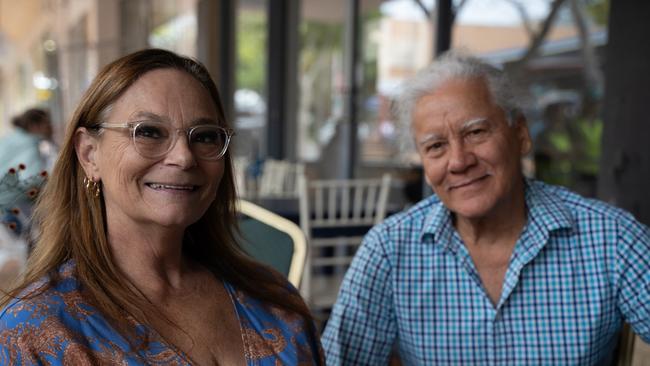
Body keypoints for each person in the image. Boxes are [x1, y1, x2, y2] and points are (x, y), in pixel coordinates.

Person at [322, 51, 650, 365]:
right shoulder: (389, 249)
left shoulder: (611, 239)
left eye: (476, 132)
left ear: (520, 135)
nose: (459, 161)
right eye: (436, 146)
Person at [0, 49, 323, 365]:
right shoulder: (33, 332)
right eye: (149, 132)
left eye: (205, 136)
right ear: (89, 154)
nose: (183, 157)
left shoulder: (274, 298)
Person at [0, 108, 54, 176]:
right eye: (47, 123)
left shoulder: (9, 138)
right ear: (33, 125)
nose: (51, 127)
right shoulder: (30, 147)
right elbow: (31, 181)